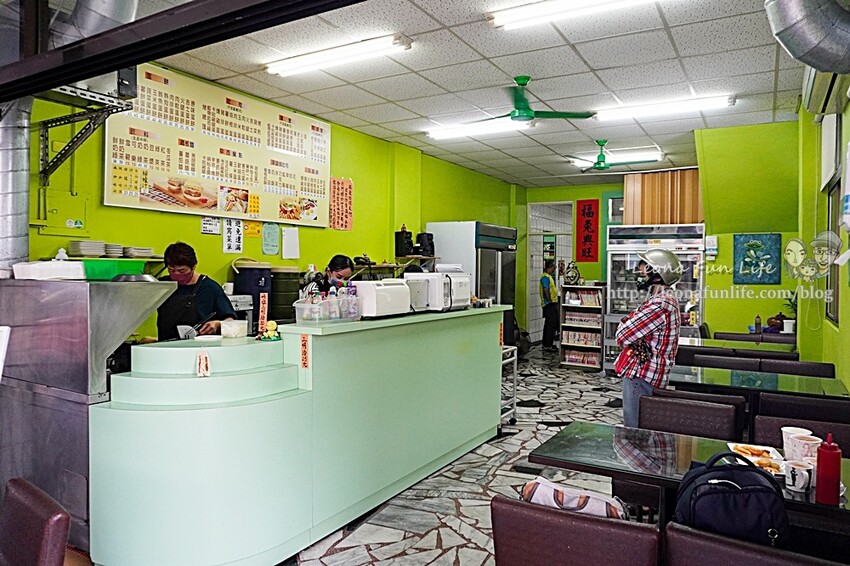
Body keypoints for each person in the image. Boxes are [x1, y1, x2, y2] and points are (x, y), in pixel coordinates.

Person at [614, 249, 682, 428]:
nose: (640, 272)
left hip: (643, 376)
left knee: (636, 429)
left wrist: (627, 325)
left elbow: (622, 335)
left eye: (645, 268)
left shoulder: (660, 304)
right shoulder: (662, 299)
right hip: (647, 374)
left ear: (658, 273)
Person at [156, 242, 237, 340]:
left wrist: (218, 324)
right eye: (171, 270)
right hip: (165, 345)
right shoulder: (162, 285)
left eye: (182, 271)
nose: (176, 275)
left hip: (199, 346)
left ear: (193, 267)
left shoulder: (210, 288)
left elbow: (231, 321)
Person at [539, 259, 559, 352]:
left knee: (550, 324)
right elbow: (545, 290)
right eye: (553, 268)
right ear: (549, 267)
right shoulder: (545, 277)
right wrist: (550, 301)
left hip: (551, 303)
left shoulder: (548, 277)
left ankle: (548, 344)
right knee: (550, 325)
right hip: (548, 304)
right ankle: (547, 345)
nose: (554, 270)